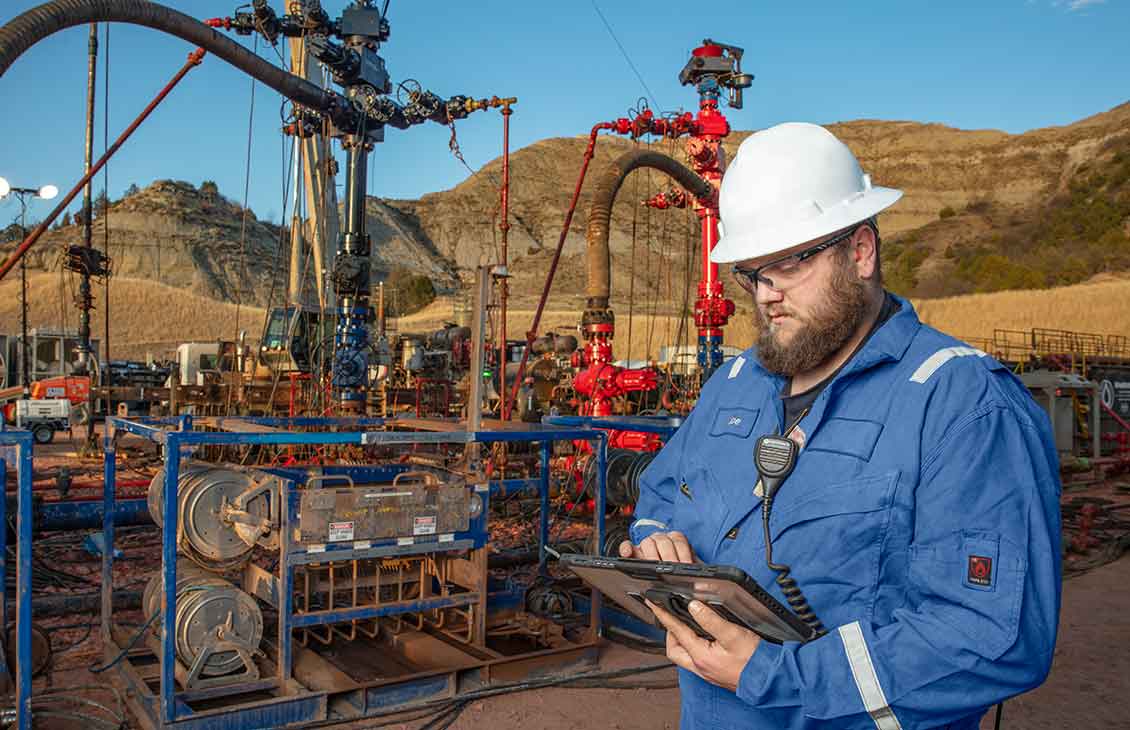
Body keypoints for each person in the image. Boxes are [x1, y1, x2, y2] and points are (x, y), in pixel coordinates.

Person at [619, 122, 1061, 729]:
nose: (766, 296)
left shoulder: (963, 404)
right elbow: (662, 495)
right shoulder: (735, 383)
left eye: (788, 266)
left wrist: (776, 676)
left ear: (859, 252)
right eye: (753, 274)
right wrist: (654, 543)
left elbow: (992, 635)